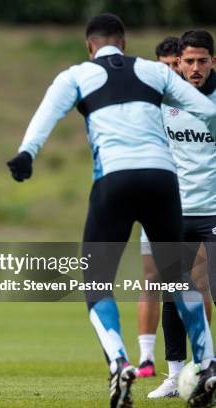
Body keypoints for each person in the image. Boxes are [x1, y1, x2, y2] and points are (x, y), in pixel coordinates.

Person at [7, 14, 216, 407]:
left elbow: (47, 114)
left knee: (97, 280)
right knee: (177, 276)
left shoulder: (75, 75)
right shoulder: (156, 71)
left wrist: (26, 154)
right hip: (162, 180)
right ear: (124, 43)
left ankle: (119, 362)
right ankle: (208, 363)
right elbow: (205, 110)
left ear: (90, 46)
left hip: (115, 182)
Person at [145, 29, 216, 399]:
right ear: (178, 63)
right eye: (188, 61)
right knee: (174, 291)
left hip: (214, 211)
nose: (195, 67)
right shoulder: (164, 101)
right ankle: (174, 376)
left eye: (202, 60)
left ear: (213, 62)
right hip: (176, 211)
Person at [134, 36, 184, 380]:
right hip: (159, 201)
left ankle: (198, 360)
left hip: (200, 204)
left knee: (195, 282)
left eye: (173, 65)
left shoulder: (198, 103)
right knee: (154, 278)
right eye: (162, 66)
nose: (168, 72)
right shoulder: (149, 106)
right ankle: (148, 359)